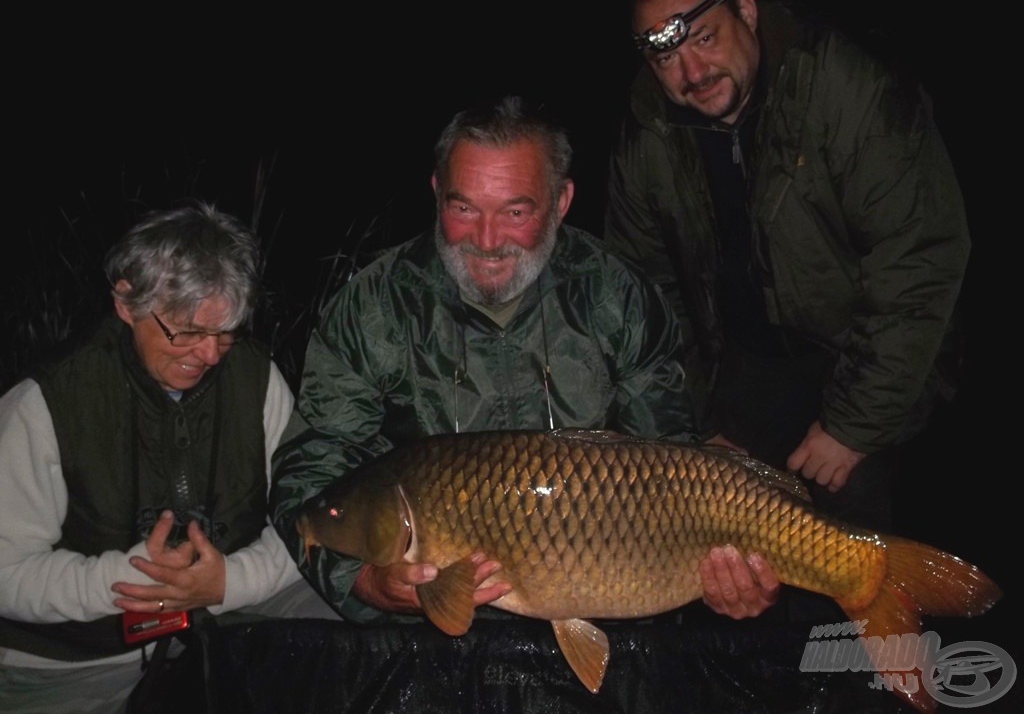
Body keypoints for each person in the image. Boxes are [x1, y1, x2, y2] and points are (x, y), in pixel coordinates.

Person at [271, 95, 779, 627]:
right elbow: (311, 475)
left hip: (601, 597)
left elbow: (670, 466)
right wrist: (362, 584)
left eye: (515, 211)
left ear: (560, 203)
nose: (486, 241)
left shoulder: (615, 297)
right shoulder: (374, 307)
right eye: (463, 208)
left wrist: (729, 573)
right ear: (436, 193)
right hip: (426, 622)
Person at [606, 0, 970, 532]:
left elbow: (918, 259)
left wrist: (852, 428)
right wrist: (698, 425)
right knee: (721, 548)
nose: (693, 71)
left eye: (705, 37)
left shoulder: (847, 85)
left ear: (745, 12)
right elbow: (645, 293)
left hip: (861, 352)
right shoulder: (646, 132)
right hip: (744, 365)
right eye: (667, 57)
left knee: (853, 549)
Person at [0, 201, 336, 714]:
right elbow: (6, 573)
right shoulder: (42, 402)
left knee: (353, 627)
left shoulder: (256, 376)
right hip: (73, 657)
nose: (211, 355)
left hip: (231, 615)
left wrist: (229, 580)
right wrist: (135, 579)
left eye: (226, 332)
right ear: (125, 302)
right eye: (188, 331)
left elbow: (310, 513)